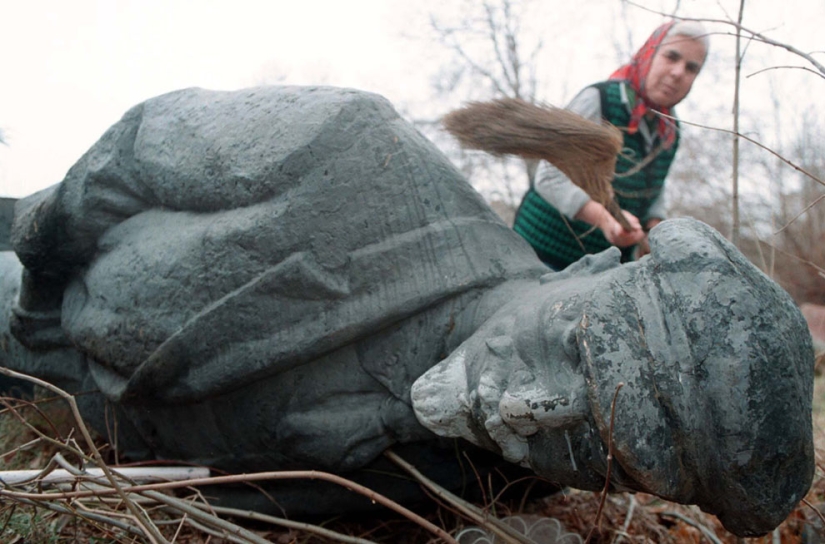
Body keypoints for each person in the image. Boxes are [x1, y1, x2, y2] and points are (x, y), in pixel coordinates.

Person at [513, 20, 709, 270]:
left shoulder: (670, 130)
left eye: (691, 68)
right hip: (540, 254)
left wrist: (654, 230)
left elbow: (654, 190)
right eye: (671, 57)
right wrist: (606, 220)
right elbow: (550, 177)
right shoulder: (600, 101)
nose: (678, 72)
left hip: (602, 270)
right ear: (649, 53)